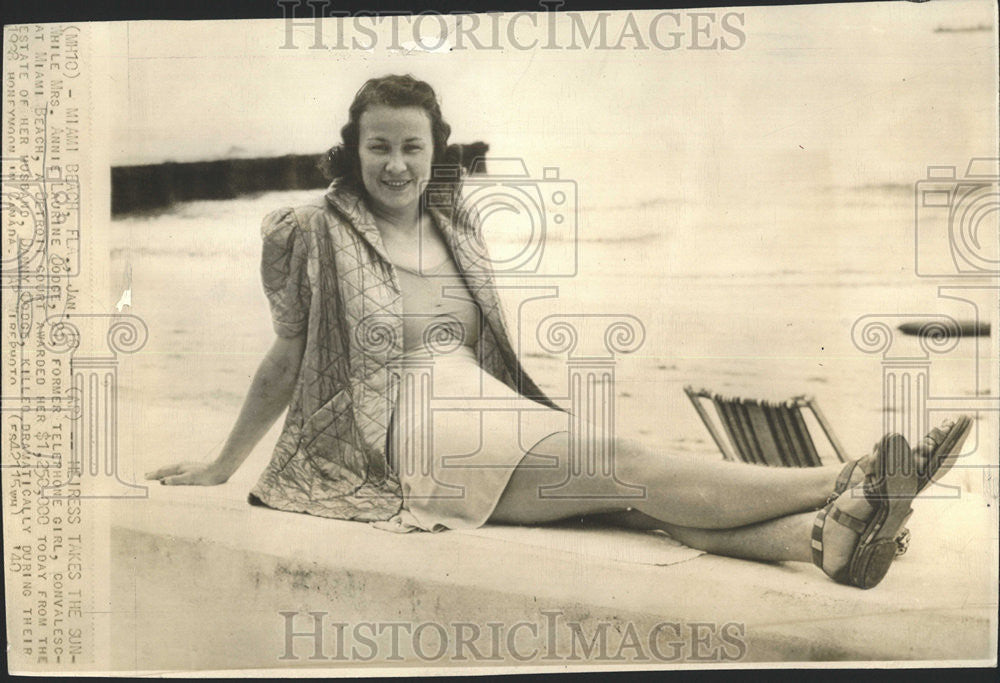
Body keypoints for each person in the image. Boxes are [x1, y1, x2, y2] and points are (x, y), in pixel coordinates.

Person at [145, 74, 974, 590]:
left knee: (631, 497)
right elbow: (286, 356)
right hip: (402, 437)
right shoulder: (307, 231)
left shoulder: (457, 225)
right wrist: (223, 463)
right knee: (621, 464)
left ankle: (823, 539)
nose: (395, 163)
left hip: (489, 410)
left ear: (436, 151)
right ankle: (848, 474)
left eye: (410, 146)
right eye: (378, 147)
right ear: (351, 150)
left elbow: (477, 353)